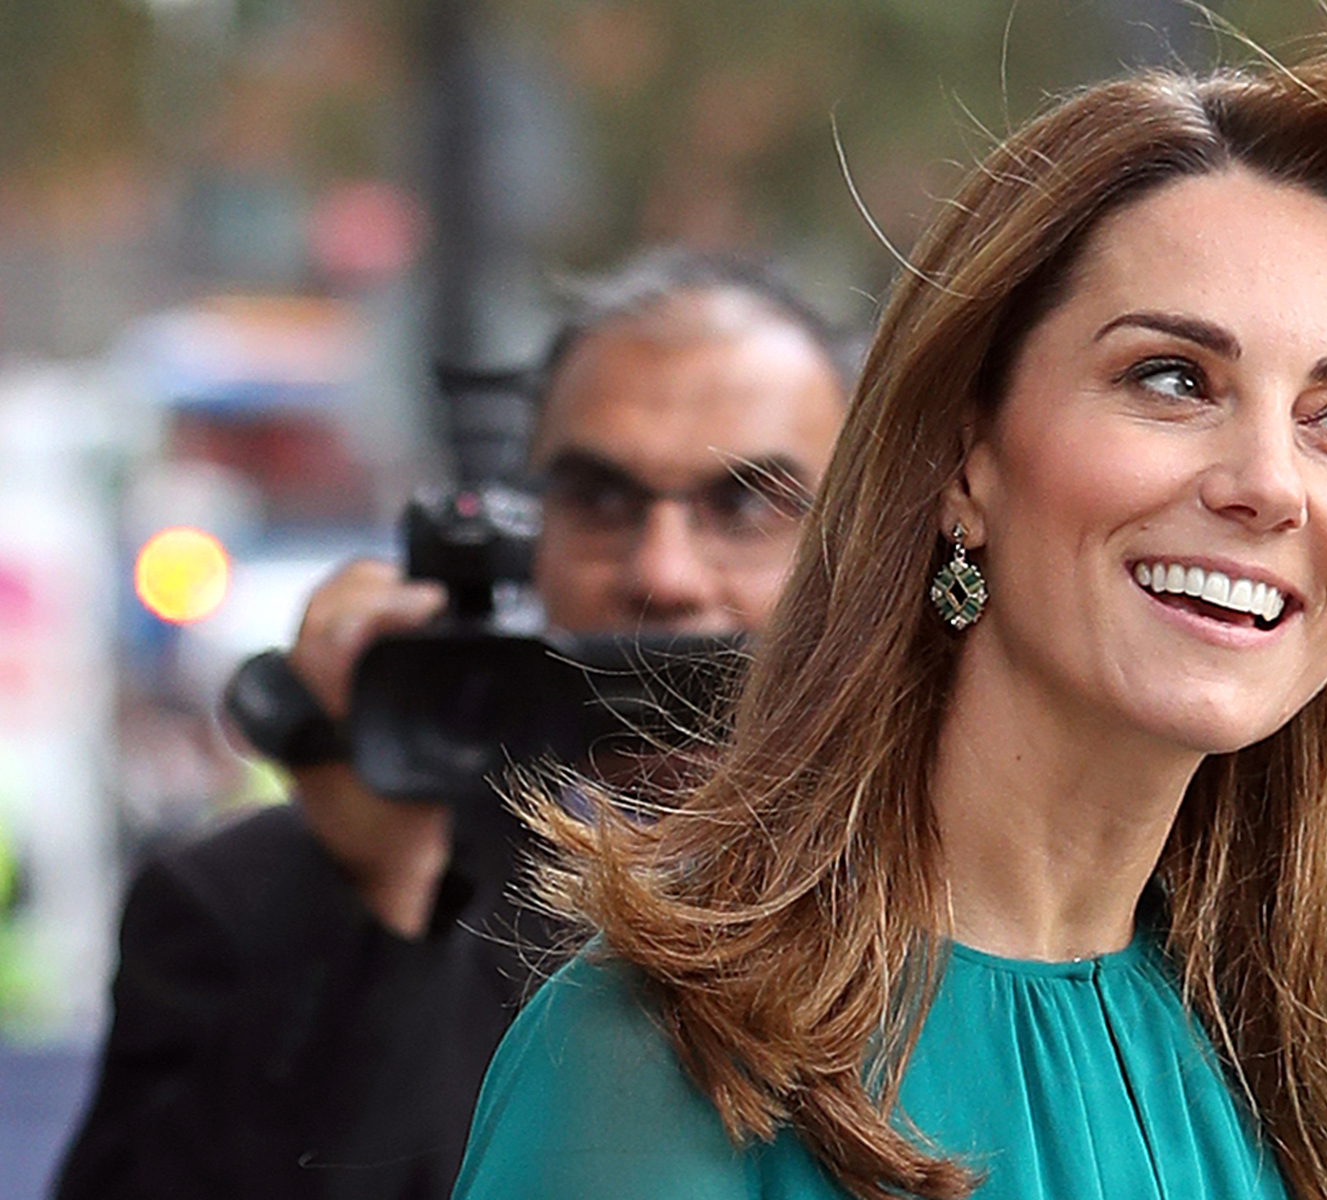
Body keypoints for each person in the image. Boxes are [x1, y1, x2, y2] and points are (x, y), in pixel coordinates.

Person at [449, 3, 1327, 1198]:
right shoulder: (659, 1055)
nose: (1270, 486)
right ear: (967, 456)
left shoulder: (1324, 1080)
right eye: (1173, 379)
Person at [54, 251, 849, 1200]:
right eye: (599, 501)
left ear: (862, 535)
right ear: (525, 532)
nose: (663, 574)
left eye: (746, 504)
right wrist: (381, 896)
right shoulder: (237, 908)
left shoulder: (972, 889)